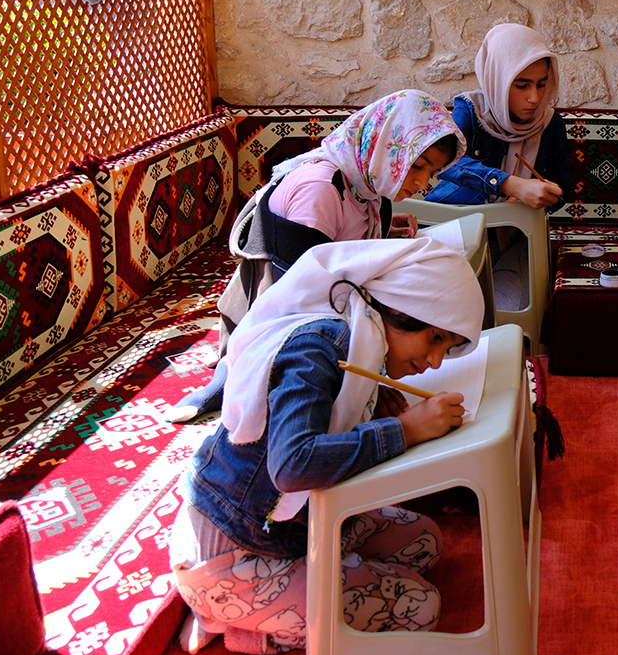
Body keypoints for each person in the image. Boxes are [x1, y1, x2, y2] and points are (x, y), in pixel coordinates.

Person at [170, 237, 485, 655]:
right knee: (419, 606)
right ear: (404, 309)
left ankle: (293, 589)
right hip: (234, 552)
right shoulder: (318, 347)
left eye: (447, 349)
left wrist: (380, 414)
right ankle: (233, 620)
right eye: (434, 339)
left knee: (424, 541)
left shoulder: (363, 343)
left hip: (294, 531)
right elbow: (293, 464)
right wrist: (403, 431)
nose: (436, 363)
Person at [166, 90, 464, 422]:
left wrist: (383, 234)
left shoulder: (368, 189)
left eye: (431, 172)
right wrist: (363, 384)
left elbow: (342, 247)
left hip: (323, 301)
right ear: (384, 144)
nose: (423, 183)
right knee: (297, 405)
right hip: (274, 312)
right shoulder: (320, 189)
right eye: (418, 165)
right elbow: (301, 294)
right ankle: (233, 370)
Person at [425, 23, 572, 310]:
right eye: (522, 85)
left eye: (542, 84)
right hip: (456, 227)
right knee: (443, 305)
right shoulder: (470, 110)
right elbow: (448, 162)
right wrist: (507, 183)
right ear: (498, 78)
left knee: (513, 309)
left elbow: (563, 188)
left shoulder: (551, 124)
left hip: (516, 236)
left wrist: (544, 196)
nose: (534, 98)